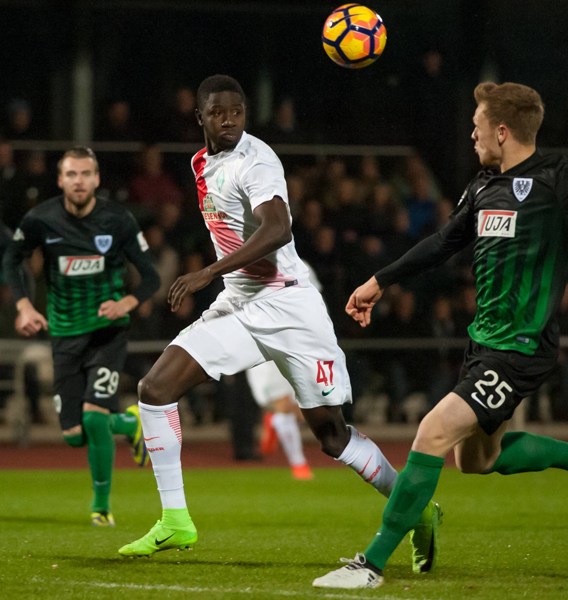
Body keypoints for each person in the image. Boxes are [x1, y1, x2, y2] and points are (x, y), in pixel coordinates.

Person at [313, 81, 568, 590]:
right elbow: (443, 242)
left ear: (503, 130)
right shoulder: (482, 187)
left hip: (521, 348)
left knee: (432, 431)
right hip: (484, 342)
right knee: (477, 459)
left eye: (478, 125)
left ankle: (373, 564)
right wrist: (380, 282)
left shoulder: (559, 178)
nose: (471, 133)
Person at [117, 75, 439, 571]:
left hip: (290, 308)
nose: (230, 121)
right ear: (199, 117)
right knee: (155, 389)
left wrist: (208, 270)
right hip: (241, 305)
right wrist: (223, 280)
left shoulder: (258, 160)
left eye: (238, 112)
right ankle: (176, 520)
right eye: (219, 113)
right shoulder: (200, 162)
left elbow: (278, 227)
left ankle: (417, 511)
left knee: (332, 437)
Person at [1, 146, 160, 526]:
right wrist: (23, 305)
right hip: (64, 336)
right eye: (71, 174)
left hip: (107, 334)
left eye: (85, 173)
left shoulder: (117, 220)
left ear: (97, 179)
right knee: (72, 434)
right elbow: (11, 258)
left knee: (92, 419)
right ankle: (130, 422)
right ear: (60, 180)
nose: (78, 181)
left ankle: (101, 505)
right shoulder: (42, 219)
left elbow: (151, 277)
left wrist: (127, 302)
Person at [246, 361, 313, 480]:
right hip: (266, 362)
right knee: (283, 407)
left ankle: (273, 421)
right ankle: (299, 463)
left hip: (290, 358)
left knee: (299, 411)